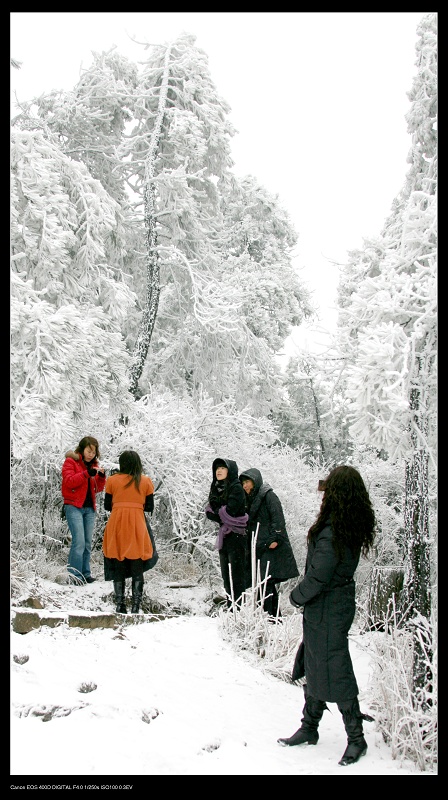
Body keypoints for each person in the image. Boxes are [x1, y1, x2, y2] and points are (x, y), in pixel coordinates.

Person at [277, 465, 376, 767]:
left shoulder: (335, 528)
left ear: (336, 494)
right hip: (333, 605)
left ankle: (356, 739)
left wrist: (295, 597)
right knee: (316, 661)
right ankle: (310, 728)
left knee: (335, 667)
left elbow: (320, 574)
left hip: (327, 606)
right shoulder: (347, 523)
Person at [239, 467, 299, 619]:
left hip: (271, 547)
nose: (245, 485)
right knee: (264, 583)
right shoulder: (249, 499)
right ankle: (272, 618)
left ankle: (269, 618)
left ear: (255, 481)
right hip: (259, 547)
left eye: (247, 482)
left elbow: (278, 519)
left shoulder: (269, 496)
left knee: (265, 582)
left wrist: (274, 539)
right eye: (243, 483)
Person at [102, 450, 156, 614]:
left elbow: (106, 505)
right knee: (137, 561)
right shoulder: (145, 481)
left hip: (117, 523)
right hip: (137, 523)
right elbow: (149, 507)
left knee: (118, 559)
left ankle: (120, 604)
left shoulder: (112, 480)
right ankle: (136, 606)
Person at [62, 436, 106, 584]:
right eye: (89, 451)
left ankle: (85, 573)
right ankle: (75, 576)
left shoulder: (94, 465)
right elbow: (69, 482)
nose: (91, 454)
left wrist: (101, 477)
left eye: (94, 452)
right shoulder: (71, 462)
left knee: (87, 543)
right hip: (74, 506)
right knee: (79, 542)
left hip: (89, 508)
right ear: (82, 448)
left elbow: (97, 489)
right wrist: (86, 474)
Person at [205, 458, 248, 609]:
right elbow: (209, 511)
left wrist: (219, 512)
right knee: (226, 575)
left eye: (223, 468)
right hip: (224, 535)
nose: (219, 470)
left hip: (236, 536)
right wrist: (221, 512)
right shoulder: (216, 487)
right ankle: (231, 607)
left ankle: (238, 609)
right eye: (217, 468)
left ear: (230, 470)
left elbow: (230, 511)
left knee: (236, 575)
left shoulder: (236, 488)